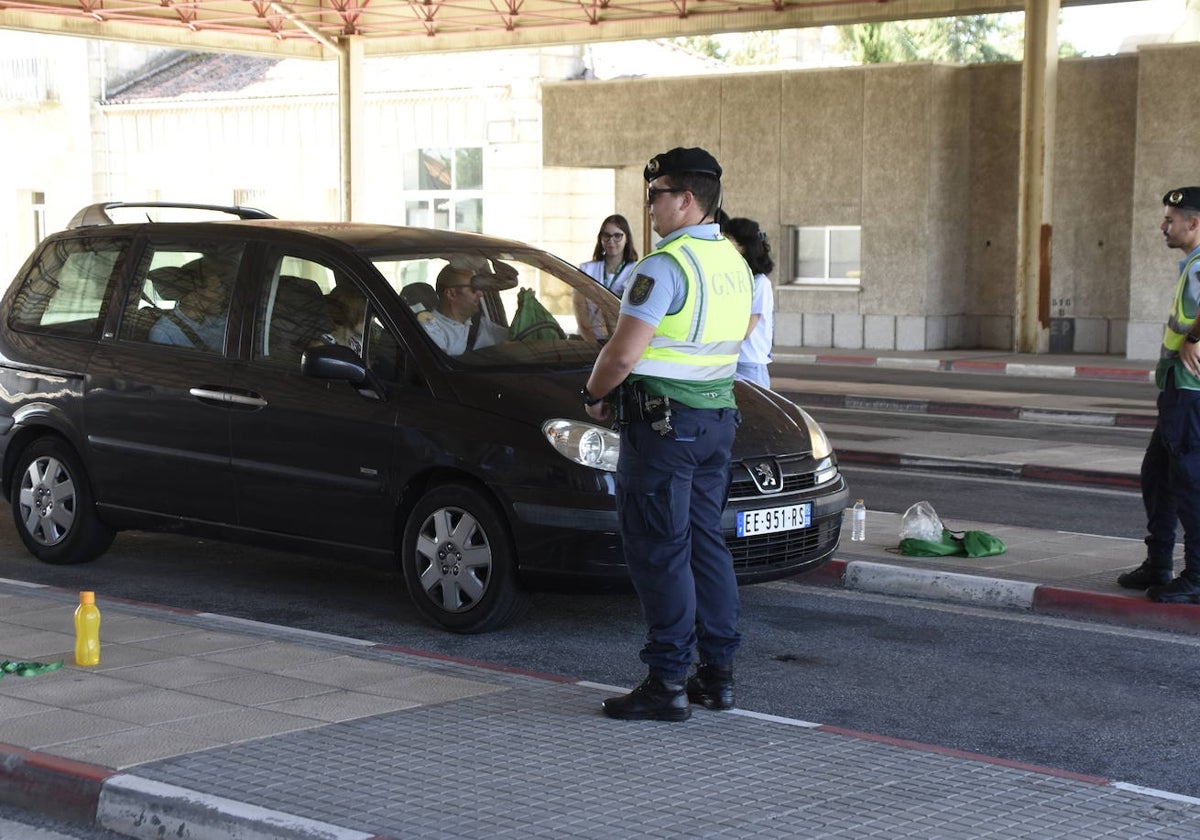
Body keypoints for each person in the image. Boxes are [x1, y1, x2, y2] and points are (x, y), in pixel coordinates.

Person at [583, 147, 753, 722]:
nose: (648, 207)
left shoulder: (663, 266)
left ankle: (666, 683)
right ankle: (718, 676)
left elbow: (623, 350)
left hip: (663, 427)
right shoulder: (733, 262)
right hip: (716, 423)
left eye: (655, 195)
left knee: (660, 549)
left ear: (685, 198)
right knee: (706, 543)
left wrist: (595, 394)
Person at [1117, 187, 1200, 604]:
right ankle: (1158, 561)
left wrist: (1194, 337)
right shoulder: (1191, 266)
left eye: (1170, 219)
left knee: (1189, 481)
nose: (1163, 226)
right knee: (1159, 474)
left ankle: (1198, 575)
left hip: (1191, 393)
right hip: (1175, 389)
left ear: (1194, 222)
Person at [720, 216, 775, 388]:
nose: (722, 245)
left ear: (743, 247)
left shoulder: (759, 283)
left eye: (727, 240)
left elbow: (745, 330)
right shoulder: (737, 279)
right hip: (730, 361)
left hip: (749, 364)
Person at [575, 215, 639, 342]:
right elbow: (580, 309)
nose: (611, 241)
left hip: (623, 341)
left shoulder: (636, 270)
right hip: (590, 342)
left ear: (627, 238)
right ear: (600, 239)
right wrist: (592, 342)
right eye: (606, 235)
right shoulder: (586, 269)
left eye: (617, 235)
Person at [422, 263, 509, 356]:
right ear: (451, 294)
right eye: (474, 289)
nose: (481, 294)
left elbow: (512, 338)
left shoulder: (478, 323)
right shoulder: (431, 329)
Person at [149, 258, 231, 351]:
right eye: (215, 290)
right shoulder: (165, 334)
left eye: (222, 288)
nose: (222, 294)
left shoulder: (220, 320)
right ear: (193, 295)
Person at [323, 283, 367, 355]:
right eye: (363, 315)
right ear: (351, 315)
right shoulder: (324, 345)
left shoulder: (357, 343)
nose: (371, 320)